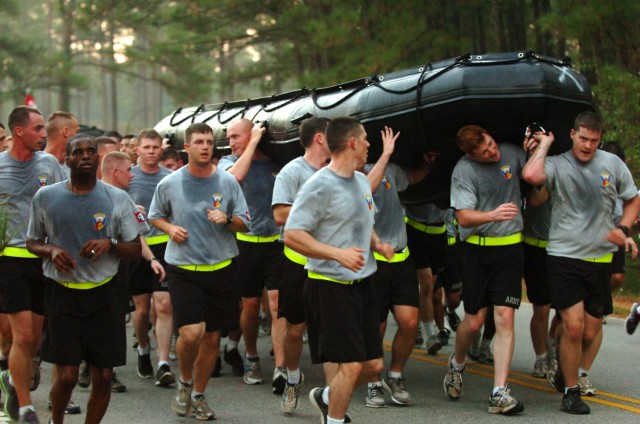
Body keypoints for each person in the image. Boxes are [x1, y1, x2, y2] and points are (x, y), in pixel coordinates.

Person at [522, 111, 640, 414]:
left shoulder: (612, 165)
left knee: (589, 331)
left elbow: (633, 198)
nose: (588, 145)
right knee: (573, 327)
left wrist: (623, 229)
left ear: (600, 140)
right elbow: (532, 177)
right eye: (583, 138)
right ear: (573, 134)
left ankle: (567, 367)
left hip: (600, 258)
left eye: (594, 140)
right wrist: (545, 144)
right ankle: (571, 392)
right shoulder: (558, 163)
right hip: (564, 256)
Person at [26, 133, 146, 424]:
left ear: (98, 158)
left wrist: (110, 244)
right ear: (67, 160)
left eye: (91, 151)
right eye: (78, 152)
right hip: (63, 294)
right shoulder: (46, 197)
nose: (86, 156)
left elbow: (134, 248)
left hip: (105, 295)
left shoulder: (117, 198)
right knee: (67, 376)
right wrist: (51, 250)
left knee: (103, 376)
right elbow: (32, 241)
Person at [284, 116, 394, 424]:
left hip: (364, 283)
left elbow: (363, 221)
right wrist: (337, 254)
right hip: (329, 285)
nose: (370, 143)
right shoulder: (318, 185)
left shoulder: (360, 180)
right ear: (352, 143)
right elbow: (292, 234)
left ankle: (328, 396)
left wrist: (378, 245)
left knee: (372, 366)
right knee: (351, 366)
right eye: (366, 138)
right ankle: (334, 418)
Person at [148, 122, 250, 421]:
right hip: (184, 267)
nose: (205, 147)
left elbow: (244, 221)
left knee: (211, 339)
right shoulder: (170, 183)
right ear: (187, 148)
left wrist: (227, 218)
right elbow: (155, 216)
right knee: (192, 333)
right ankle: (184, 381)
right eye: (199, 142)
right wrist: (170, 228)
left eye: (209, 142)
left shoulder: (227, 182)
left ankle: (198, 395)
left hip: (221, 267)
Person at [443, 124, 526, 415]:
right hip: (477, 250)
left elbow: (534, 178)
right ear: (472, 155)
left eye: (491, 144)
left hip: (511, 249)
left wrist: (541, 145)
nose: (491, 152)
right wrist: (493, 214)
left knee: (504, 316)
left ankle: (499, 392)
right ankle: (457, 363)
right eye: (483, 152)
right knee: (475, 321)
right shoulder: (463, 170)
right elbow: (464, 218)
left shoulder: (513, 153)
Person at [0, 106, 65, 424]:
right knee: (22, 336)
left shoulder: (49, 164)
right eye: (38, 129)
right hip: (10, 259)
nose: (44, 135)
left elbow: (67, 199)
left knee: (35, 338)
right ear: (18, 132)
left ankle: (13, 378)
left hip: (44, 259)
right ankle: (26, 407)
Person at [361, 127, 432, 408]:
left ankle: (395, 374)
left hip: (401, 259)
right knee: (376, 326)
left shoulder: (391, 170)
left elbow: (412, 177)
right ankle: (373, 382)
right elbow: (366, 188)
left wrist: (427, 165)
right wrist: (387, 154)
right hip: (374, 263)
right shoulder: (355, 175)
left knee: (410, 323)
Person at [219, 118, 286, 393]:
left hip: (276, 242)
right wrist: (252, 143)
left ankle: (281, 367)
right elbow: (235, 178)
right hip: (245, 243)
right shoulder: (227, 162)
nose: (231, 142)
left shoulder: (276, 162)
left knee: (276, 303)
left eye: (236, 136)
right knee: (249, 305)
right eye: (228, 137)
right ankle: (251, 356)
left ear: (253, 133)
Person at [126, 129, 175, 387]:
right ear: (138, 150)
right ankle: (143, 348)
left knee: (164, 304)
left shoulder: (170, 178)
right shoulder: (129, 177)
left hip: (165, 246)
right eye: (147, 147)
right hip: (136, 248)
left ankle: (163, 363)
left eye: (156, 147)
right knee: (142, 309)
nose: (152, 151)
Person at [44, 112, 80, 177]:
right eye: (77, 132)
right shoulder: (38, 165)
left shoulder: (75, 168)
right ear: (66, 132)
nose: (79, 138)